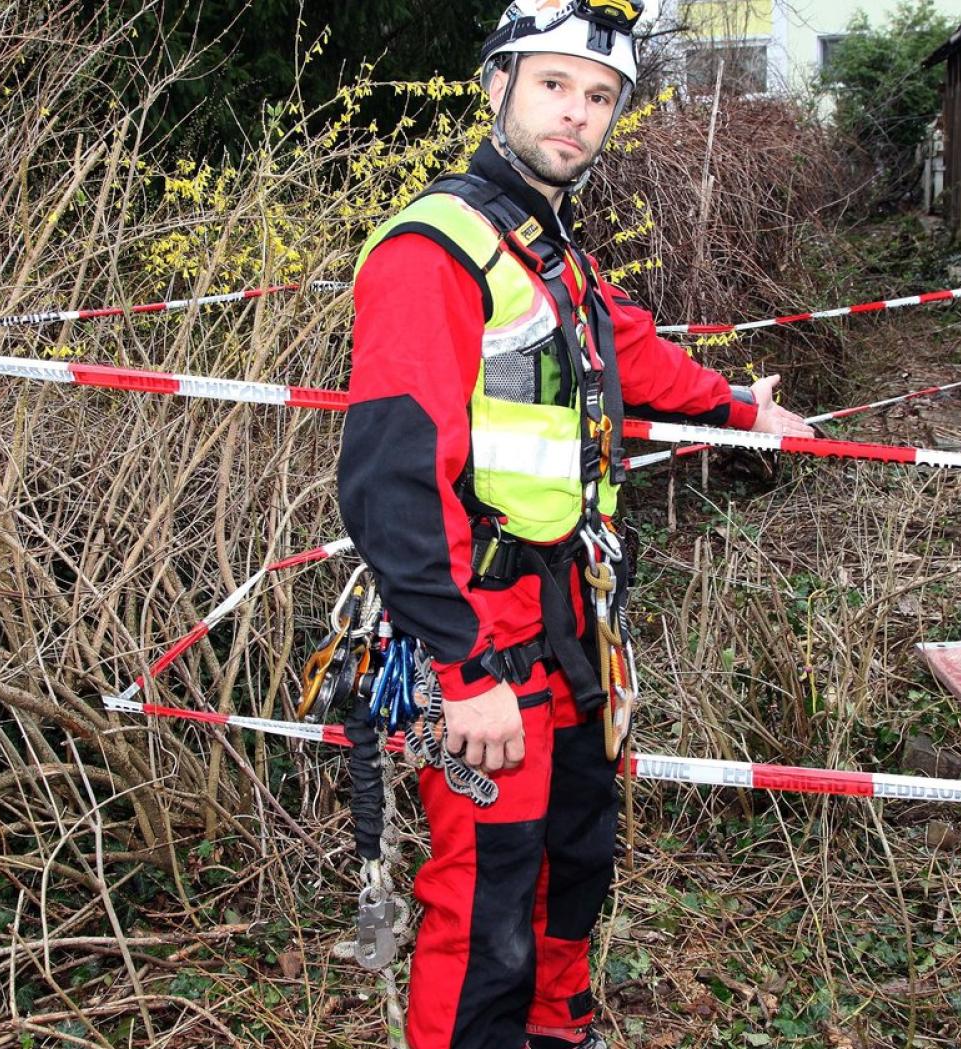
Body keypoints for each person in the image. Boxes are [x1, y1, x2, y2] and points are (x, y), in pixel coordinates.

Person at [336, 3, 813, 1046]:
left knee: (572, 854)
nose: (578, 114)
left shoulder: (545, 248)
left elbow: (622, 350)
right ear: (495, 86)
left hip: (572, 621)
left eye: (599, 97)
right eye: (554, 85)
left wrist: (743, 408)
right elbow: (389, 483)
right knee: (485, 892)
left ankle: (559, 1029)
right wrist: (462, 672)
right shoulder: (435, 249)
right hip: (480, 632)